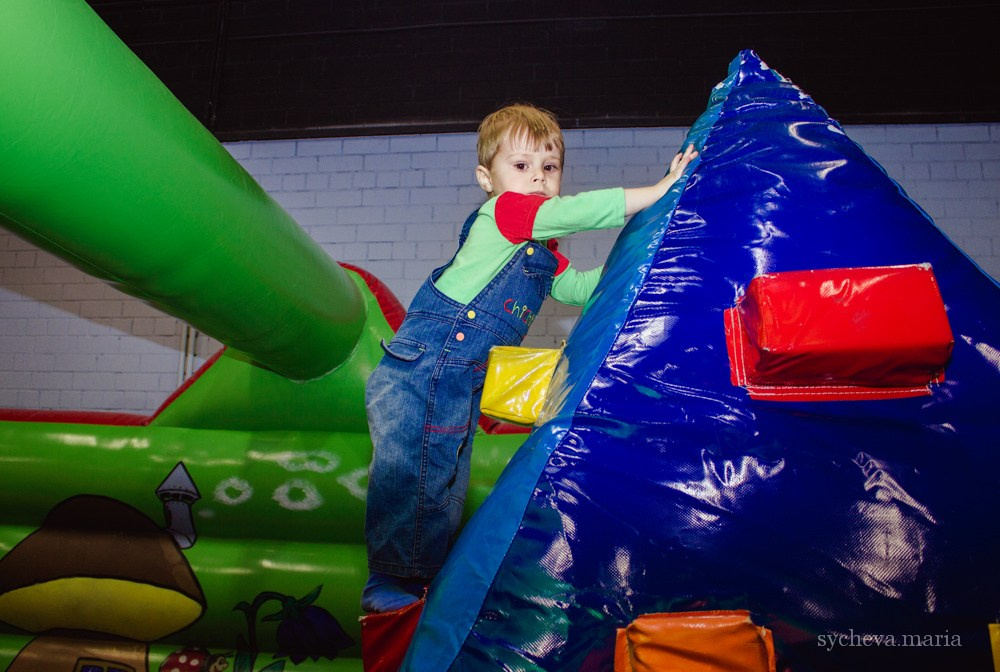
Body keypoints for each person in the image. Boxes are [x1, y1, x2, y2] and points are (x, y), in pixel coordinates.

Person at [362, 103, 698, 612]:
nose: (538, 178)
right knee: (415, 472)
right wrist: (651, 193)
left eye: (550, 167)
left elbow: (582, 287)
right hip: (426, 364)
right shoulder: (505, 215)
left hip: (460, 376)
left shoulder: (541, 249)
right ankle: (391, 579)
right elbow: (566, 212)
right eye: (521, 166)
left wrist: (639, 253)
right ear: (486, 177)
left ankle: (422, 579)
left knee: (446, 482)